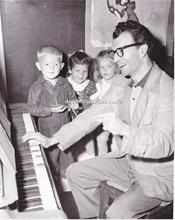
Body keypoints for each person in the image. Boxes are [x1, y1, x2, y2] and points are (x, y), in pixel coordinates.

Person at [23, 20, 174, 219]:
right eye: (114, 52)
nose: (116, 59)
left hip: (157, 175)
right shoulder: (122, 82)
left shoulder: (169, 90)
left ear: (142, 49)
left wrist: (125, 130)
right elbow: (92, 114)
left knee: (116, 213)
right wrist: (53, 139)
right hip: (128, 163)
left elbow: (165, 144)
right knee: (76, 173)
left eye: (121, 51)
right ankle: (96, 216)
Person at [27, 45, 78, 179]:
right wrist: (50, 109)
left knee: (67, 151)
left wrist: (73, 104)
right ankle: (52, 178)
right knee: (51, 155)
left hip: (65, 125)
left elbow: (72, 98)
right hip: (47, 129)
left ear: (61, 66)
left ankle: (67, 176)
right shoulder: (37, 87)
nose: (51, 68)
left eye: (55, 64)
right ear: (39, 66)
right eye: (47, 64)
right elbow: (32, 108)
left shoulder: (65, 83)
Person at [67, 50, 97, 159]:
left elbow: (95, 102)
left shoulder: (90, 84)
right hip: (69, 118)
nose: (81, 75)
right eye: (77, 71)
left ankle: (92, 157)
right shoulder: (65, 84)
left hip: (85, 117)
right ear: (70, 70)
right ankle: (69, 159)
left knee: (89, 137)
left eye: (84, 71)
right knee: (68, 138)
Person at [90, 50, 120, 155]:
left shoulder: (120, 81)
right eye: (102, 67)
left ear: (116, 67)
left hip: (118, 117)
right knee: (101, 139)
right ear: (98, 69)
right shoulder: (99, 84)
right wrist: (94, 100)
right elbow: (95, 99)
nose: (105, 70)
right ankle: (103, 161)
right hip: (105, 117)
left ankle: (123, 161)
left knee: (120, 141)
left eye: (109, 66)